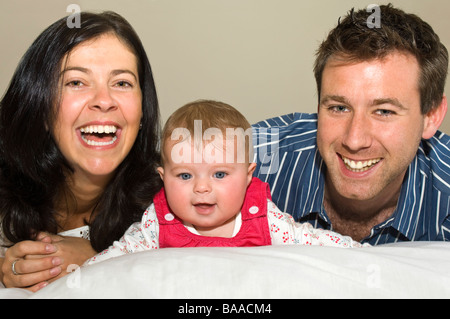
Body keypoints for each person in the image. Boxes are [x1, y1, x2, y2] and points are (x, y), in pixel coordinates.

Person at [253, 4, 449, 245]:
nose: (354, 140)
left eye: (384, 111)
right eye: (339, 108)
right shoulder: (253, 157)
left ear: (430, 116)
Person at [87, 100, 365, 265]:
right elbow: (118, 259)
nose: (202, 188)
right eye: (185, 176)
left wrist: (362, 255)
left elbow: (313, 241)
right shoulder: (157, 222)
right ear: (163, 178)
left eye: (219, 174)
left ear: (247, 178)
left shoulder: (263, 218)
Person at [0, 11, 162, 291]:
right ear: (40, 106)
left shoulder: (175, 201)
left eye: (121, 83)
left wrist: (101, 259)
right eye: (76, 82)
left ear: (142, 111)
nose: (104, 101)